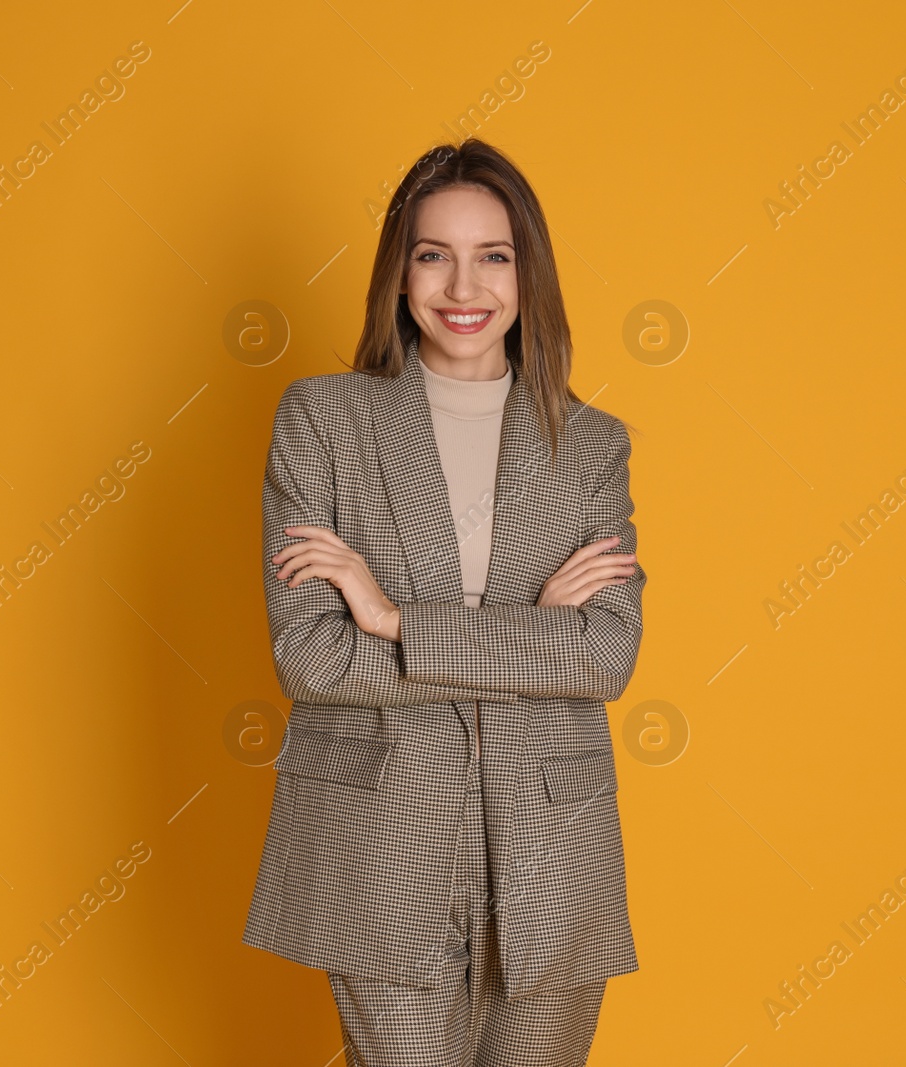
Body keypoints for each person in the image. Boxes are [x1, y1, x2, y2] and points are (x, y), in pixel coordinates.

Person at [243, 137, 646, 1066]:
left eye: (493, 256)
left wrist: (393, 621)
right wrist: (533, 633)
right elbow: (310, 659)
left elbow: (606, 657)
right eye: (434, 254)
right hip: (379, 840)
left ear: (525, 274)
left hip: (553, 847)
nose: (464, 286)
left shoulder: (591, 446)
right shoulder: (323, 420)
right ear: (401, 272)